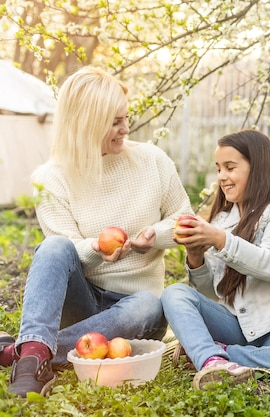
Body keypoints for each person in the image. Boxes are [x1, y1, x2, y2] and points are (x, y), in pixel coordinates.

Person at [0, 66, 194, 397]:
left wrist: (155, 236)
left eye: (125, 117)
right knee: (54, 246)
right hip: (82, 302)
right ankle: (33, 363)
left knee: (149, 304)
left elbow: (185, 219)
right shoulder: (50, 178)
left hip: (136, 311)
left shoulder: (152, 161)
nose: (126, 128)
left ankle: (27, 352)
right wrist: (96, 248)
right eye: (115, 122)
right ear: (88, 124)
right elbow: (64, 250)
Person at [162, 129, 270, 390]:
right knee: (175, 293)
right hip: (232, 323)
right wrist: (196, 258)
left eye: (230, 168)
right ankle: (212, 358)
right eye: (219, 168)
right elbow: (211, 293)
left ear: (256, 168)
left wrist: (221, 240)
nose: (222, 177)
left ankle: (216, 356)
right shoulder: (222, 220)